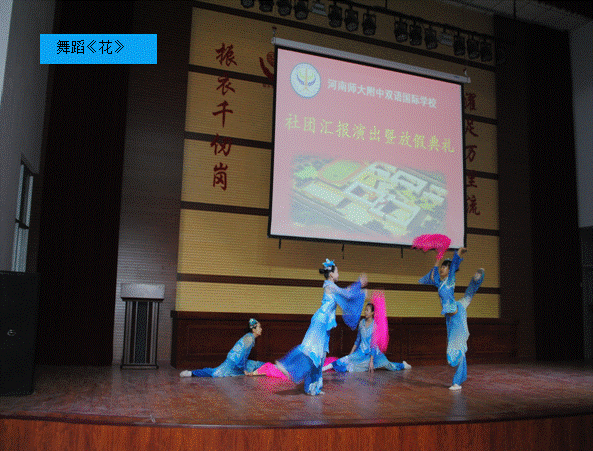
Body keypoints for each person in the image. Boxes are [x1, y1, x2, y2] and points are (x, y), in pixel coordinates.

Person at [275, 259, 367, 395]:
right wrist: (359, 286)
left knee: (321, 356)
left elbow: (346, 294)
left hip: (325, 325)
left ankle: (312, 387)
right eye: (337, 272)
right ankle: (287, 365)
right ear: (331, 274)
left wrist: (359, 290)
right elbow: (347, 294)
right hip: (320, 321)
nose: (338, 274)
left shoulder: (332, 286)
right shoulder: (330, 286)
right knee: (309, 348)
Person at [419, 247, 484, 390]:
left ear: (449, 270)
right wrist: (438, 258)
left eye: (445, 267)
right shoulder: (441, 283)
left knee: (453, 352)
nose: (442, 268)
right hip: (450, 319)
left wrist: (459, 253)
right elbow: (433, 276)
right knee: (458, 350)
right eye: (442, 266)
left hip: (457, 316)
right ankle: (459, 380)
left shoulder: (450, 280)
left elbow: (454, 265)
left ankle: (457, 382)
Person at [322, 300, 411, 373]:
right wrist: (351, 353)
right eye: (365, 310)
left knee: (389, 366)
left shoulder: (375, 326)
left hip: (374, 354)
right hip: (361, 352)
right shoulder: (361, 323)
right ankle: (325, 368)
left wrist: (371, 361)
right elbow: (357, 340)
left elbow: (374, 344)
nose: (365, 312)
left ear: (372, 312)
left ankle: (403, 365)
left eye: (367, 310)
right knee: (346, 359)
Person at [179, 318, 265, 377]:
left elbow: (243, 356)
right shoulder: (249, 338)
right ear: (253, 329)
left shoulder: (249, 337)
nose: (261, 329)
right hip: (233, 363)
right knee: (215, 373)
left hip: (236, 362)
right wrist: (245, 370)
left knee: (257, 365)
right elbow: (243, 356)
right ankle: (192, 373)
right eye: (259, 327)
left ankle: (270, 367)